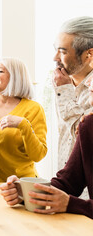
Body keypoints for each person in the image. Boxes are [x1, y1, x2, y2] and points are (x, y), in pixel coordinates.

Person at [0, 75, 93, 219]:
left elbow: (69, 198)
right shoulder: (88, 125)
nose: (88, 82)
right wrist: (27, 191)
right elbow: (68, 181)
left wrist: (72, 204)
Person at [0, 58, 47, 182]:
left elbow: (38, 155)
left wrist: (23, 125)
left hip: (21, 185)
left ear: (15, 77)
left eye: (0, 71)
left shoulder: (33, 109)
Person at [52, 16, 93, 171]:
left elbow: (83, 138)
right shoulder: (61, 81)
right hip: (64, 180)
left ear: (89, 54)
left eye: (62, 52)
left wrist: (65, 91)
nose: (55, 58)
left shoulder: (88, 89)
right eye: (55, 50)